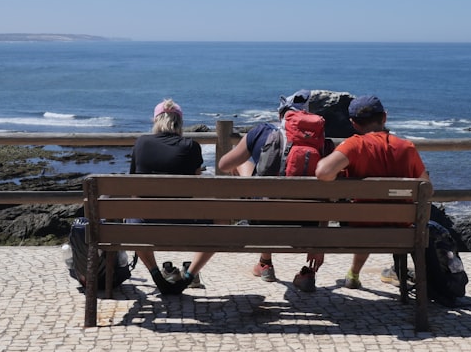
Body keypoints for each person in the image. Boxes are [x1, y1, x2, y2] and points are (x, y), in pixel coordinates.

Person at [315, 94, 430, 289]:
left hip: (360, 229)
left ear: (354, 124)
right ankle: (359, 273)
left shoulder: (355, 144)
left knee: (367, 213)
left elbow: (323, 172)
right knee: (387, 212)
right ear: (384, 117)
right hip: (402, 232)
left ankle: (354, 274)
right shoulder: (407, 148)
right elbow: (427, 188)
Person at [217, 89, 324, 290]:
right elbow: (329, 196)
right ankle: (307, 273)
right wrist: (319, 244)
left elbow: (223, 165)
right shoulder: (321, 142)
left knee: (243, 167)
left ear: (281, 115)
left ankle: (265, 263)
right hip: (306, 224)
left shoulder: (262, 132)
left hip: (262, 219)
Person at [129, 98, 213, 294]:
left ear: (156, 121)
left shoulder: (141, 144)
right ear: (179, 123)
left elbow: (133, 187)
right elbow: (197, 187)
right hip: (186, 224)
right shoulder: (191, 146)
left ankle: (157, 276)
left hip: (145, 224)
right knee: (221, 220)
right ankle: (188, 277)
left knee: (131, 219)